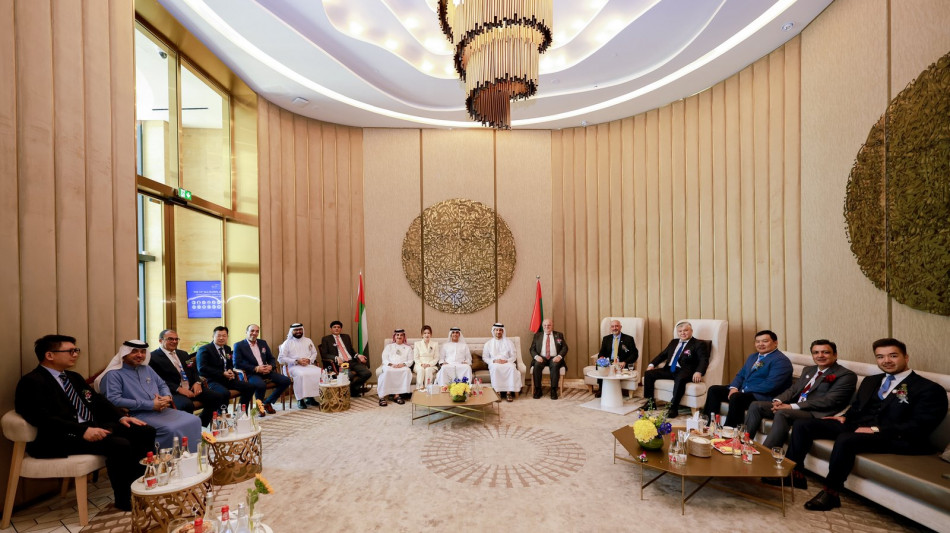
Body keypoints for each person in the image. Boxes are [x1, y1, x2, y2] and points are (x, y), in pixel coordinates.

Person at [772, 338, 947, 511]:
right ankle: (795, 474)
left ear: (906, 357)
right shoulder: (871, 381)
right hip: (859, 426)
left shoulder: (928, 388)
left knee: (846, 439)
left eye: (893, 356)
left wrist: (875, 429)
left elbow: (920, 426)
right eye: (880, 357)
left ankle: (831, 493)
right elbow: (857, 407)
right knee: (803, 425)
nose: (886, 360)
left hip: (897, 436)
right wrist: (844, 417)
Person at [15, 335, 155, 512]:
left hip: (91, 426)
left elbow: (97, 401)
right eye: (70, 351)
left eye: (76, 350)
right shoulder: (32, 382)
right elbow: (40, 418)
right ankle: (125, 499)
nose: (75, 354)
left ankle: (141, 487)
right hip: (61, 436)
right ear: (49, 355)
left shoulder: (73, 377)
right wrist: (82, 431)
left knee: (145, 430)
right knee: (119, 444)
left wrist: (120, 417)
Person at [745, 339, 857, 447]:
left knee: (783, 413)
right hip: (796, 407)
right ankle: (744, 442)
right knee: (756, 405)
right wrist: (778, 401)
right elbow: (793, 389)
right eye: (816, 352)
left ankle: (768, 453)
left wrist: (791, 406)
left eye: (825, 352)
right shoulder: (809, 370)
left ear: (835, 355)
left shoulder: (845, 375)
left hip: (815, 413)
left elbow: (828, 401)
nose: (820, 356)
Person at [97, 340, 202, 452]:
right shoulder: (113, 374)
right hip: (136, 414)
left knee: (194, 420)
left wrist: (167, 396)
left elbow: (162, 384)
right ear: (125, 353)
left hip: (162, 410)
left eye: (143, 352)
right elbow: (113, 400)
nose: (140, 355)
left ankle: (192, 457)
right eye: (134, 351)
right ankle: (167, 460)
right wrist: (151, 405)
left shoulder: (147, 368)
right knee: (171, 429)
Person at [702, 330, 792, 427]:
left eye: (765, 341)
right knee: (714, 390)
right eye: (757, 341)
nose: (760, 344)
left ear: (775, 343)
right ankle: (709, 425)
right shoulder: (753, 357)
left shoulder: (781, 360)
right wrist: (734, 388)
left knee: (737, 397)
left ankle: (730, 430)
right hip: (744, 391)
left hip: (762, 396)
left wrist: (744, 390)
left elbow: (770, 385)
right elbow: (741, 375)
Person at [149, 329, 229, 427]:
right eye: (170, 339)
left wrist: (197, 382)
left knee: (217, 397)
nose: (174, 341)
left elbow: (193, 370)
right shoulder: (153, 357)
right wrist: (179, 389)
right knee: (186, 405)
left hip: (192, 387)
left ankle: (200, 425)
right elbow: (158, 380)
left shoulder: (184, 354)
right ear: (160, 340)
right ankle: (187, 429)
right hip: (173, 391)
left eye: (176, 339)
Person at [641, 321, 710, 418]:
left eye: (685, 330)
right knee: (648, 374)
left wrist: (699, 372)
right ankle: (650, 403)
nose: (683, 333)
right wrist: (652, 364)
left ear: (691, 331)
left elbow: (703, 360)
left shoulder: (698, 344)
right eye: (680, 331)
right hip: (669, 369)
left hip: (685, 371)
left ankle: (673, 408)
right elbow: (662, 355)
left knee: (680, 379)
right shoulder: (674, 342)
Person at [233, 324, 291, 414]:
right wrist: (256, 368)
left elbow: (271, 358)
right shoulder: (239, 345)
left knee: (286, 381)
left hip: (266, 371)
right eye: (252, 331)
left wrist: (271, 366)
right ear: (246, 332)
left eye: (257, 331)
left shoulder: (262, 343)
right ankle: (260, 407)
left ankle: (267, 402)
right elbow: (237, 364)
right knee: (260, 385)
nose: (254, 333)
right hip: (251, 373)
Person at [196, 326, 256, 411]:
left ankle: (241, 412)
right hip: (211, 380)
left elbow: (229, 364)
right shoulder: (205, 349)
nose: (221, 338)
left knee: (250, 387)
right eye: (219, 335)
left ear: (227, 337)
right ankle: (222, 414)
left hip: (226, 379)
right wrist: (222, 373)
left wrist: (230, 370)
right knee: (224, 393)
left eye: (224, 336)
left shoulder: (227, 348)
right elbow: (202, 368)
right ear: (213, 336)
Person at [319, 320, 372, 397]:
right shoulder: (326, 339)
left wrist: (358, 355)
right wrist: (336, 357)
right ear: (331, 329)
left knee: (367, 373)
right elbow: (324, 355)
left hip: (351, 361)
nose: (336, 328)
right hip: (341, 364)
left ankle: (352, 389)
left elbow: (351, 350)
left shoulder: (346, 337)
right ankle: (351, 391)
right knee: (349, 375)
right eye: (334, 327)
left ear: (341, 329)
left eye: (338, 327)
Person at [277, 323, 323, 409]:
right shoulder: (287, 343)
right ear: (292, 331)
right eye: (296, 330)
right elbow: (281, 358)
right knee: (301, 374)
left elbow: (314, 353)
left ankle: (310, 397)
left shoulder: (308, 340)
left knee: (320, 372)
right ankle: (300, 399)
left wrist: (309, 360)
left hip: (308, 365)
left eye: (300, 329)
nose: (298, 331)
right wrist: (296, 361)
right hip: (293, 367)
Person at [595, 320, 638, 398]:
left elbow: (634, 354)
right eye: (613, 326)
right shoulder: (606, 339)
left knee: (616, 367)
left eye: (616, 326)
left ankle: (621, 389)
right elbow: (601, 352)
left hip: (621, 362)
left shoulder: (628, 339)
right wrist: (601, 357)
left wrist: (625, 362)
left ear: (620, 327)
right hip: (609, 362)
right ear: (610, 328)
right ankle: (601, 389)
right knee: (601, 365)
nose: (614, 328)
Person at [482, 323, 523, 402]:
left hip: (507, 362)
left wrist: (506, 361)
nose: (498, 332)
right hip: (494, 362)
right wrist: (493, 361)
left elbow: (514, 356)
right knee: (496, 368)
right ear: (493, 331)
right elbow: (485, 357)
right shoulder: (488, 343)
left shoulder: (509, 342)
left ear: (503, 331)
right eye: (496, 330)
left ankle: (508, 393)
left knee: (511, 368)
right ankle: (498, 392)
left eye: (500, 330)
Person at [529, 319, 568, 400]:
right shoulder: (537, 335)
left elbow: (565, 347)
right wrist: (536, 357)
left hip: (554, 357)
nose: (547, 327)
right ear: (543, 326)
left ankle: (553, 390)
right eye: (545, 325)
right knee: (537, 365)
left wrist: (559, 356)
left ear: (552, 326)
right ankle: (538, 390)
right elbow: (532, 349)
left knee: (555, 365)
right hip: (541, 357)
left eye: (549, 325)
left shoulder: (559, 335)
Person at [377, 329, 414, 406]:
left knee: (406, 371)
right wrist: (391, 365)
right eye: (397, 335)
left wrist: (402, 364)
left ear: (404, 337)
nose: (399, 337)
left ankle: (397, 395)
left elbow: (410, 361)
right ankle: (382, 397)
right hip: (390, 366)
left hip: (402, 366)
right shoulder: (389, 347)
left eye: (401, 335)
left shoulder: (408, 348)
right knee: (387, 371)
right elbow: (384, 358)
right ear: (394, 336)